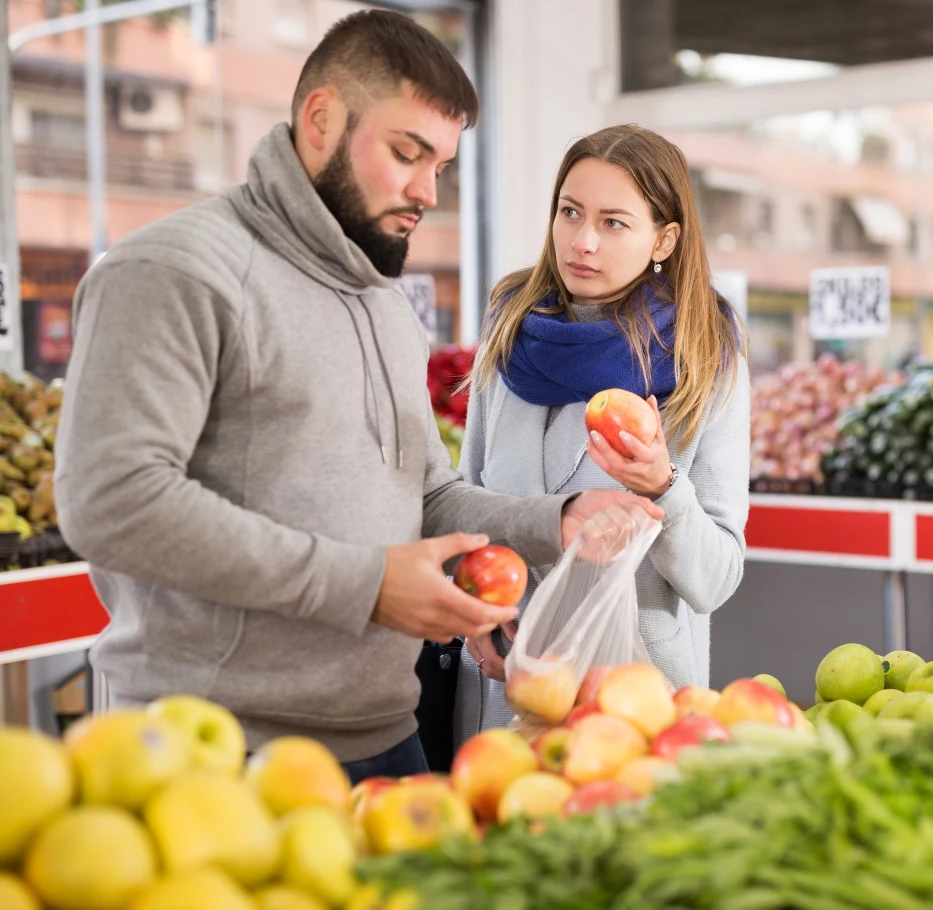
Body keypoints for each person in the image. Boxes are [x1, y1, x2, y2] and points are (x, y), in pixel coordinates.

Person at [53, 10, 659, 783]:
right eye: (407, 154)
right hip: (214, 750)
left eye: (440, 164)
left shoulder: (381, 298)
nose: (426, 190)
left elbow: (424, 495)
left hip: (385, 736)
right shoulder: (172, 272)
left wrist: (556, 522)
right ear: (320, 119)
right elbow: (113, 501)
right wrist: (366, 587)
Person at [452, 124, 750, 744]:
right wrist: (468, 603)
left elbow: (715, 579)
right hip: (503, 683)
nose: (582, 241)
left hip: (634, 702)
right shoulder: (511, 325)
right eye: (569, 212)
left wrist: (663, 488)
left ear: (664, 238)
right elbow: (468, 498)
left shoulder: (703, 352)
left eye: (614, 222)